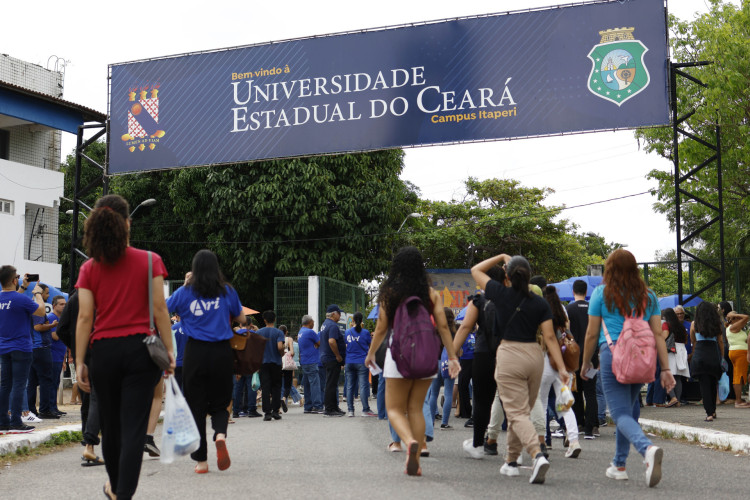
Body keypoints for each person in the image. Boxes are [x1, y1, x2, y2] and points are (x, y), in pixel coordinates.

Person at [75, 194, 175, 500]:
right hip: (140, 352)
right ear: (127, 223)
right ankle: (122, 494)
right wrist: (169, 351)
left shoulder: (90, 268)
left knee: (111, 427)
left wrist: (80, 361)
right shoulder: (149, 261)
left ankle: (115, 488)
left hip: (103, 352)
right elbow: (160, 309)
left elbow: (85, 316)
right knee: (133, 429)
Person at [581, 249, 674, 487]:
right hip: (643, 358)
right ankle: (619, 465)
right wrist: (665, 368)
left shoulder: (602, 293)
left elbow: (592, 333)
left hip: (613, 355)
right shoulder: (649, 295)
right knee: (629, 411)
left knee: (621, 413)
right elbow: (657, 334)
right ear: (635, 269)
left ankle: (647, 450)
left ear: (609, 268)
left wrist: (585, 363)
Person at [472, 254, 568, 484]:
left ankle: (536, 454)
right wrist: (562, 368)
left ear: (507, 274)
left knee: (515, 412)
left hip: (509, 355)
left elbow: (476, 270)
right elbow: (550, 338)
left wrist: (500, 257)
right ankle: (511, 461)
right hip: (534, 356)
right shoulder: (540, 302)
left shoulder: (499, 292)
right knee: (521, 410)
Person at [365, 247, 460, 476]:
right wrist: (453, 356)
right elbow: (443, 326)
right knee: (416, 408)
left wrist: (370, 353)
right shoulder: (431, 294)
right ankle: (416, 458)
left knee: (395, 409)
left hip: (398, 356)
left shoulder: (389, 293)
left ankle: (408, 442)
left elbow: (381, 328)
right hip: (427, 356)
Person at [167, 251, 245, 473]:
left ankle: (201, 462)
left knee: (196, 407)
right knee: (221, 401)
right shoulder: (226, 290)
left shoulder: (184, 292)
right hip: (221, 352)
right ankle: (220, 434)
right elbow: (241, 318)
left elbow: (163, 307)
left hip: (195, 354)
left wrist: (184, 285)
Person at [452, 265, 505, 455]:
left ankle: (477, 445)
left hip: (483, 354)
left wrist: (452, 352)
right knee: (513, 403)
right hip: (508, 354)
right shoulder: (513, 298)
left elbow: (466, 327)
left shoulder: (478, 301)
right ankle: (528, 447)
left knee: (482, 401)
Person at [0, 268, 47, 434]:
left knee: (5, 385)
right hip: (21, 347)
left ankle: (3, 421)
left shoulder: (3, 298)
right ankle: (16, 422)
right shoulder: (20, 299)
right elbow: (41, 312)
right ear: (14, 280)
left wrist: (24, 287)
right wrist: (38, 293)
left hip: (3, 348)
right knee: (19, 384)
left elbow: (12, 301)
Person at [541, 285, 581, 458]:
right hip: (561, 364)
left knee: (541, 403)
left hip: (545, 362)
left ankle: (541, 441)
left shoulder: (542, 313)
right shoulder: (562, 316)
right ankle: (573, 440)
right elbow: (570, 336)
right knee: (565, 404)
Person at [566, 279, 598, 440]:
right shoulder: (593, 307)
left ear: (573, 291)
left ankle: (578, 422)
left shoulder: (568, 309)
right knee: (591, 392)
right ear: (586, 292)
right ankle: (591, 428)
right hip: (591, 357)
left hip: (573, 358)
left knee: (576, 390)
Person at [28, 283, 59, 420]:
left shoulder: (30, 307)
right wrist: (52, 326)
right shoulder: (38, 309)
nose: (48, 295)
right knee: (46, 379)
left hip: (32, 348)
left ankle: (30, 409)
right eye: (46, 293)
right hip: (41, 347)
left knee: (32, 381)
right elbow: (38, 327)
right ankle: (45, 410)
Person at [690, 302, 725, 420]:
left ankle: (709, 413)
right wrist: (722, 356)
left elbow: (693, 340)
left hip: (700, 354)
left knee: (704, 385)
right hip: (713, 355)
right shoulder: (717, 324)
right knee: (713, 383)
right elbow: (720, 341)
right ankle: (713, 411)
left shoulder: (694, 324)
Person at [255, 310, 285, 420]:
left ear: (264, 320)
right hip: (275, 363)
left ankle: (267, 413)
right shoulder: (278, 333)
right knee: (276, 387)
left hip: (263, 363)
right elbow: (279, 347)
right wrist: (282, 354)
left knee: (265, 388)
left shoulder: (259, 333)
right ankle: (275, 411)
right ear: (275, 319)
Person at [345, 312, 376, 417]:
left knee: (350, 386)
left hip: (349, 361)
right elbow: (370, 346)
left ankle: (350, 410)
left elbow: (346, 345)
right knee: (363, 386)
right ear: (362, 320)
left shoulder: (347, 332)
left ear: (353, 320)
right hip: (362, 361)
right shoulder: (366, 333)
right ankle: (365, 409)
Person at [719, 304, 749, 408]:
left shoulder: (731, 328)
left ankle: (739, 399)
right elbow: (746, 317)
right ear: (732, 319)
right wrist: (733, 315)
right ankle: (738, 401)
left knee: (738, 375)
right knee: (739, 376)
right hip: (739, 352)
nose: (739, 318)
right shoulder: (733, 327)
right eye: (737, 317)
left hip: (736, 351)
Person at [661, 308, 691, 407]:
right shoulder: (681, 326)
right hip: (681, 350)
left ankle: (673, 398)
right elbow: (686, 340)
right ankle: (677, 401)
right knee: (677, 377)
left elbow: (664, 336)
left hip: (671, 351)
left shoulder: (666, 325)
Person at [320, 304, 346, 417]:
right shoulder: (333, 326)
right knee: (331, 384)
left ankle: (334, 407)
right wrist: (338, 355)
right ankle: (329, 409)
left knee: (332, 383)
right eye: (339, 313)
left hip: (326, 357)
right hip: (332, 358)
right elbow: (331, 341)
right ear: (334, 313)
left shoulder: (325, 324)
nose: (340, 315)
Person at [298, 315, 323, 414]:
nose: (314, 323)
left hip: (304, 361)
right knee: (315, 384)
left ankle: (307, 406)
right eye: (313, 321)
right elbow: (320, 343)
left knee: (307, 385)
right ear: (309, 322)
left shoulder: (301, 332)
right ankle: (317, 406)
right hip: (312, 361)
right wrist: (316, 345)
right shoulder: (310, 332)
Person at [48, 295, 68, 417]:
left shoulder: (62, 319)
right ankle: (50, 407)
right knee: (52, 382)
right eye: (61, 304)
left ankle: (54, 406)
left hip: (60, 355)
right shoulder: (51, 318)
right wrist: (66, 331)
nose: (64, 306)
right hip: (53, 355)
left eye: (65, 304)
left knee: (56, 382)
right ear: (54, 306)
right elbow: (54, 336)